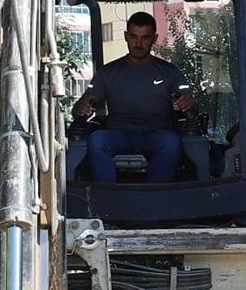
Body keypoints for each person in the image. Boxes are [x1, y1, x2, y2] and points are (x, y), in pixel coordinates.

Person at [73, 11, 194, 184]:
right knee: (96, 139)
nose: (138, 43)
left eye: (145, 38)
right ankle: (108, 197)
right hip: (118, 135)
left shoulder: (169, 72)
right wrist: (81, 108)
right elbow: (81, 105)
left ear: (154, 38)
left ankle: (154, 196)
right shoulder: (108, 72)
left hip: (156, 135)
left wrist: (189, 103)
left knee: (172, 141)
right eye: (134, 37)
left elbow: (192, 105)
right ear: (126, 37)